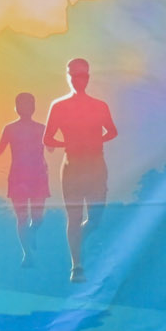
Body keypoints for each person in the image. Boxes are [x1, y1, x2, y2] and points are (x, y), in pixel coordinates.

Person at [43, 58, 118, 282]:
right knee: (74, 217)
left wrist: (96, 140)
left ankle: (79, 241)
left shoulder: (99, 106)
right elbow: (47, 138)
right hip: (72, 166)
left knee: (95, 218)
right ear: (68, 77)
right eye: (74, 75)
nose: (78, 80)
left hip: (95, 166)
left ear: (88, 78)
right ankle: (76, 265)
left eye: (82, 75)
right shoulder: (59, 106)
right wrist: (68, 143)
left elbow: (112, 131)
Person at [0, 92, 51, 267]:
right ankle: (27, 254)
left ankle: (31, 232)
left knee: (38, 217)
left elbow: (51, 148)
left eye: (29, 104)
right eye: (22, 104)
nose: (26, 108)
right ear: (16, 108)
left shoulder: (42, 128)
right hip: (18, 177)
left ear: (34, 107)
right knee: (22, 217)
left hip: (38, 176)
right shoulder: (10, 128)